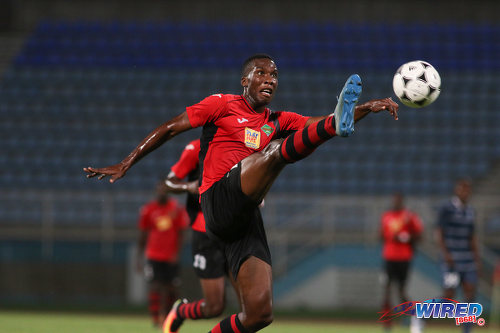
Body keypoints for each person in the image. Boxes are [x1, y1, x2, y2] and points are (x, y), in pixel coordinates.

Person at [85, 53, 399, 332]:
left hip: (245, 218)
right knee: (275, 153)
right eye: (261, 73)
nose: (269, 80)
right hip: (217, 200)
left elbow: (322, 122)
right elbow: (170, 127)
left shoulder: (276, 120)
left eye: (274, 75)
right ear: (244, 80)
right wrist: (127, 162)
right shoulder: (220, 104)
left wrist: (364, 108)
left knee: (259, 314)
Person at [163, 139, 238, 332]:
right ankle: (180, 312)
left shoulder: (244, 144)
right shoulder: (195, 148)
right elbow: (168, 183)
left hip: (237, 232)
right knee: (215, 307)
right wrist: (189, 187)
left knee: (252, 307)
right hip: (205, 233)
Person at [137, 181, 188, 327]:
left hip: (171, 256)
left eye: (164, 190)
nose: (161, 193)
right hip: (154, 255)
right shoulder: (149, 210)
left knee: (172, 288)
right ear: (156, 191)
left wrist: (177, 253)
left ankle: (169, 317)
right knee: (155, 286)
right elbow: (143, 235)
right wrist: (139, 258)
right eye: (159, 190)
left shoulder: (176, 209)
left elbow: (181, 233)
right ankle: (155, 318)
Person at [436, 178, 480, 333]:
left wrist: (477, 258)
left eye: (468, 190)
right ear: (456, 190)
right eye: (463, 189)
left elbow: (472, 236)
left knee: (470, 293)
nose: (465, 192)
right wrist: (445, 253)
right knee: (448, 296)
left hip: (467, 260)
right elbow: (439, 232)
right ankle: (421, 316)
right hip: (452, 260)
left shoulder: (470, 211)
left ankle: (466, 330)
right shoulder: (446, 208)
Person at [380, 192, 423, 331]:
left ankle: (413, 316)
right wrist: (390, 237)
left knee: (401, 291)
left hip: (404, 258)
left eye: (398, 200)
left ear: (402, 201)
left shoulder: (409, 216)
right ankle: (387, 323)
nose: (396, 202)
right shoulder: (387, 216)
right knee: (386, 289)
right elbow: (380, 234)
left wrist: (406, 237)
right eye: (394, 200)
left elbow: (419, 235)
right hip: (389, 257)